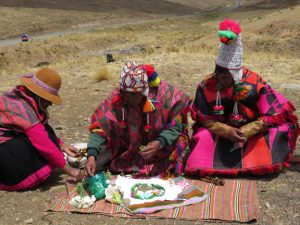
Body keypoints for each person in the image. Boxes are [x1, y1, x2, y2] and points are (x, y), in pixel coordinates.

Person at [185, 19, 299, 176]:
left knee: (282, 130)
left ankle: (254, 162)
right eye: (219, 75)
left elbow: (275, 113)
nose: (221, 81)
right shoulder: (205, 85)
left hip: (250, 133)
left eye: (227, 77)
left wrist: (248, 130)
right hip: (220, 133)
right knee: (203, 137)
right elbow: (204, 119)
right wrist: (227, 131)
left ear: (236, 75)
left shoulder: (253, 81)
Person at [85, 61, 190, 177]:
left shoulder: (165, 95)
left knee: (176, 145)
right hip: (127, 148)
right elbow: (99, 127)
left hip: (161, 149)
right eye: (126, 93)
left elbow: (177, 121)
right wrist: (91, 155)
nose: (130, 98)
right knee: (97, 158)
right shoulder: (116, 100)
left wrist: (160, 142)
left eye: (135, 94)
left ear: (145, 90)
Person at [0, 67, 84, 191]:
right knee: (41, 143)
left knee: (46, 132)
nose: (50, 104)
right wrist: (71, 171)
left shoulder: (22, 100)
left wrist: (62, 145)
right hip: (3, 158)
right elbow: (43, 142)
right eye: (48, 100)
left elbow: (44, 132)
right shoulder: (24, 109)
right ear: (39, 96)